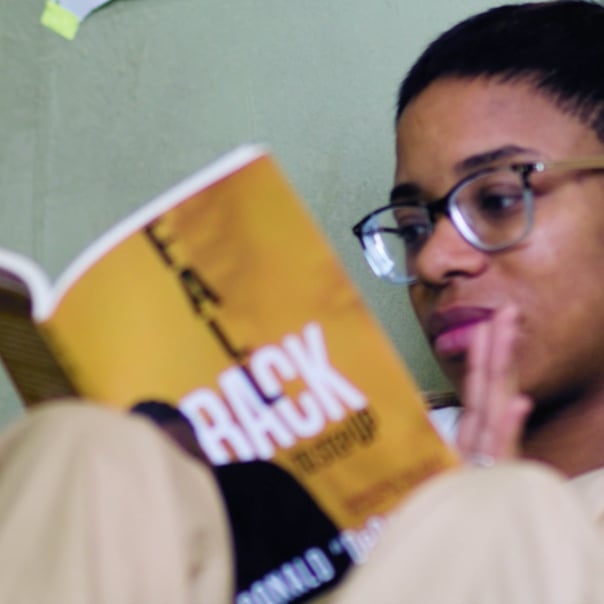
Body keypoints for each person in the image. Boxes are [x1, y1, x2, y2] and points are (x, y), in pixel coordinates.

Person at [2, 1, 604, 603]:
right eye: (413, 227)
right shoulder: (361, 447)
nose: (432, 260)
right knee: (82, 447)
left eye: (497, 200)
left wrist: (489, 512)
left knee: (507, 509)